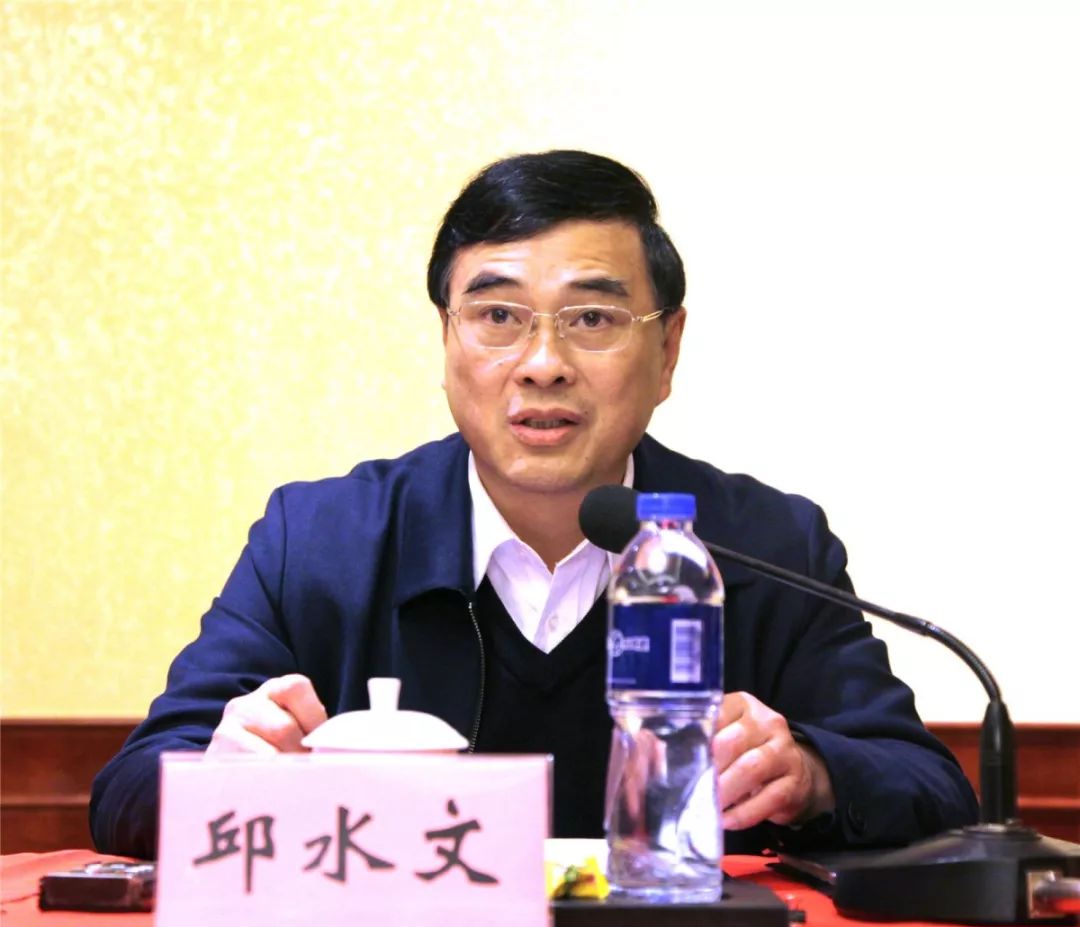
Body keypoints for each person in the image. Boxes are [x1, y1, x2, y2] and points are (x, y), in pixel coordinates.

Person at [90, 150, 977, 859]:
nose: (543, 363)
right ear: (446, 340)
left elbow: (929, 789)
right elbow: (128, 792)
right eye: (498, 317)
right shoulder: (322, 541)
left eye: (592, 319)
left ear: (667, 350)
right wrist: (218, 774)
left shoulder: (764, 544)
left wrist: (814, 774)